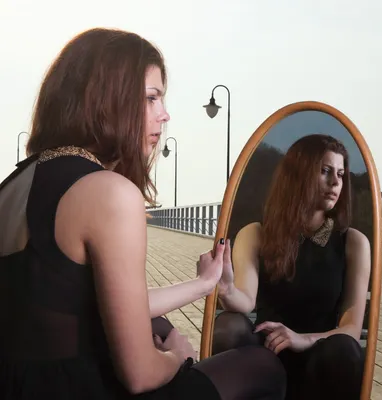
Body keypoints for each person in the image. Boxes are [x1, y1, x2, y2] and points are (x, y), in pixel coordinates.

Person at [0, 27, 286, 399]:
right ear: (108, 101)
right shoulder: (108, 192)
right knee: (261, 367)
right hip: (75, 387)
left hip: (20, 383)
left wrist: (203, 284)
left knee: (157, 322)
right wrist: (176, 358)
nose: (164, 116)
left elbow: (90, 300)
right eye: (152, 98)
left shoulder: (15, 183)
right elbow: (139, 374)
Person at [211, 134, 371, 400]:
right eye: (325, 171)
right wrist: (226, 290)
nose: (335, 182)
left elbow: (351, 328)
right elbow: (246, 300)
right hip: (268, 355)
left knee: (344, 348)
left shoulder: (353, 243)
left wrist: (301, 339)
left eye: (341, 174)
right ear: (298, 175)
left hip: (321, 356)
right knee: (229, 325)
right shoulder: (256, 234)